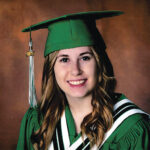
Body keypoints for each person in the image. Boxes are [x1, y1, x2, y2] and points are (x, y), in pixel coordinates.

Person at [17, 11, 150, 150]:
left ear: (99, 63)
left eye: (85, 57)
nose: (75, 70)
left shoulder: (132, 127)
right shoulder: (38, 122)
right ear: (52, 68)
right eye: (64, 59)